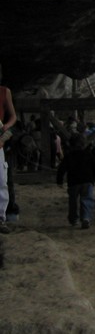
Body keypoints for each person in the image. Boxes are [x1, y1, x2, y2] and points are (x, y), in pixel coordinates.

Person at [56, 132, 95, 229]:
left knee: (73, 201)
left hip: (73, 182)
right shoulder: (88, 154)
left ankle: (73, 219)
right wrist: (93, 178)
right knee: (87, 199)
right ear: (84, 144)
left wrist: (59, 181)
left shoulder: (69, 156)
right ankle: (86, 218)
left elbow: (61, 169)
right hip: (87, 181)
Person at [0, 65, 19, 234]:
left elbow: (13, 116)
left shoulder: (4, 92)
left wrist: (6, 126)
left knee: (1, 180)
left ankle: (1, 218)